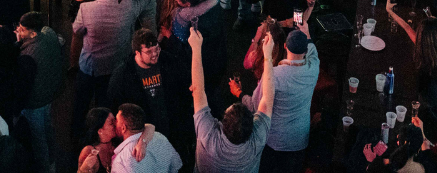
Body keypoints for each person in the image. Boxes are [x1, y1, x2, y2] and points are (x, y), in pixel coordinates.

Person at [72, 0, 153, 136]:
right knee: (106, 106)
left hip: (89, 67)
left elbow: (76, 32)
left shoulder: (86, 9)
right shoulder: (128, 6)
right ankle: (103, 137)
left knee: (80, 105)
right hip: (114, 67)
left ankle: (75, 137)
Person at [191, 27, 273, 173]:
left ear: (222, 123)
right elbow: (267, 99)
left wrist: (196, 48)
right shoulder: (257, 139)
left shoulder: (207, 135)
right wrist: (268, 55)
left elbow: (197, 92)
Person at [241, 25, 318, 172]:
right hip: (299, 139)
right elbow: (313, 49)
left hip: (274, 141)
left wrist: (240, 94)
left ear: (285, 46)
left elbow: (257, 105)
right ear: (305, 51)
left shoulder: (274, 74)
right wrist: (307, 32)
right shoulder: (314, 67)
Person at [16, 11, 65, 173]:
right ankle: (53, 163)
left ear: (33, 33)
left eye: (22, 29)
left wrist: (17, 44)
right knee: (48, 127)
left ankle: (45, 168)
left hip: (35, 101)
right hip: (49, 93)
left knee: (38, 138)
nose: (19, 31)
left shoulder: (28, 53)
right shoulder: (49, 33)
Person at [110, 103, 182, 173]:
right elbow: (176, 164)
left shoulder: (121, 161)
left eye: (116, 120)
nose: (114, 123)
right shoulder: (160, 137)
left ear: (123, 128)